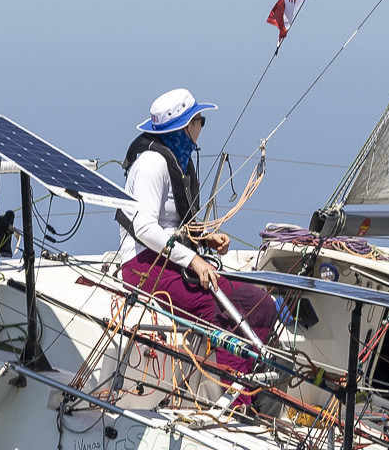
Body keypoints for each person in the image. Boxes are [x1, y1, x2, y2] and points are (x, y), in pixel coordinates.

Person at [115, 87, 277, 397]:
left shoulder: (180, 160)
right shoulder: (151, 165)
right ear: (186, 126)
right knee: (209, 303)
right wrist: (194, 260)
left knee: (259, 305)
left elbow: (174, 223)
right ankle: (226, 395)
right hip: (141, 264)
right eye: (200, 120)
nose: (202, 126)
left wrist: (202, 235)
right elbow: (145, 227)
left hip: (171, 258)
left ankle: (237, 391)